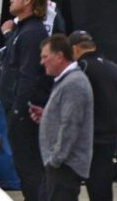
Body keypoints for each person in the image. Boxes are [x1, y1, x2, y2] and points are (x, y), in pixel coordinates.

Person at [0, 0, 52, 201]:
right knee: (24, 167)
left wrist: (19, 110)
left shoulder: (32, 33)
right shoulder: (21, 30)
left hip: (25, 113)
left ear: (28, 1)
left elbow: (28, 76)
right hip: (15, 109)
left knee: (30, 167)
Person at [34, 34, 94, 201]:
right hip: (58, 166)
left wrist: (56, 159)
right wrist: (46, 116)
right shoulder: (66, 81)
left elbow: (71, 124)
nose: (42, 62)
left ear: (59, 56)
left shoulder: (73, 83)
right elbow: (65, 117)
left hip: (64, 166)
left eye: (45, 57)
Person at [69, 31, 117, 201]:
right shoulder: (114, 68)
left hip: (86, 136)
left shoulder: (81, 68)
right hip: (109, 134)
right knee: (102, 181)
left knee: (68, 182)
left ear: (75, 49)